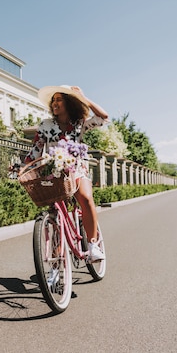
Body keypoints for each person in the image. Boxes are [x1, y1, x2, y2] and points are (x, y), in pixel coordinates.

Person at [25, 85, 109, 261]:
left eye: (59, 99)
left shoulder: (79, 124)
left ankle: (93, 245)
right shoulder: (46, 125)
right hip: (52, 170)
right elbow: (36, 150)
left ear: (69, 103)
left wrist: (84, 98)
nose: (55, 103)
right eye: (53, 100)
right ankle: (57, 258)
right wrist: (22, 167)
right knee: (55, 214)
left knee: (85, 198)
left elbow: (103, 117)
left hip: (76, 167)